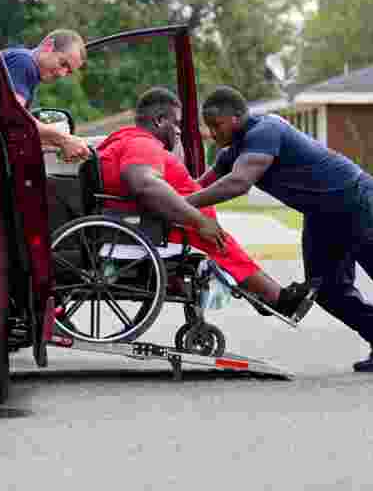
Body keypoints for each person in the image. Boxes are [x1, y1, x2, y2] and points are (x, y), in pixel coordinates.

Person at [190, 85, 373, 374]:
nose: (213, 134)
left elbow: (238, 183)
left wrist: (184, 203)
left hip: (355, 200)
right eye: (209, 127)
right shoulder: (232, 152)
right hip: (321, 215)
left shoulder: (265, 130)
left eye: (216, 125)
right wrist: (168, 201)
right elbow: (198, 186)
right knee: (327, 289)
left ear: (235, 117)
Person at [97, 87, 316, 319]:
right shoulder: (141, 144)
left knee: (220, 242)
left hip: (157, 221)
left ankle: (265, 293)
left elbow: (169, 175)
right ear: (160, 120)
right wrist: (198, 219)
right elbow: (144, 184)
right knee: (220, 242)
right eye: (177, 123)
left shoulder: (130, 142)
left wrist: (175, 145)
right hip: (160, 226)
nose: (179, 129)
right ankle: (276, 298)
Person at [0, 29, 91, 162]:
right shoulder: (24, 63)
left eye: (68, 72)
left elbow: (13, 125)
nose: (62, 74)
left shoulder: (21, 61)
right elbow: (16, 118)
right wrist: (64, 139)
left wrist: (59, 143)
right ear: (48, 46)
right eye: (63, 64)